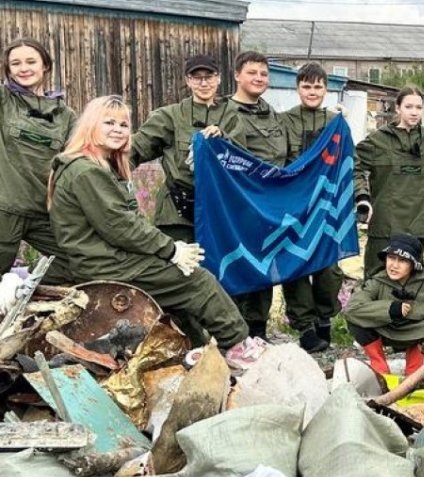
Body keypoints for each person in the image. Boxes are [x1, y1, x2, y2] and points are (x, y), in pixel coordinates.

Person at [46, 95, 263, 369]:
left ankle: (197, 347)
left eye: (124, 125)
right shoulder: (86, 171)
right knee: (197, 281)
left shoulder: (96, 166)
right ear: (91, 125)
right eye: (108, 123)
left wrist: (165, 250)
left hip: (106, 256)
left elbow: (123, 222)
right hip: (106, 263)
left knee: (180, 289)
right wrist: (171, 250)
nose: (118, 129)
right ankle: (237, 345)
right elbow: (120, 226)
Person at [131, 54, 244, 244]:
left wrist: (222, 139)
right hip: (176, 214)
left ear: (218, 79)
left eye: (209, 77)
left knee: (214, 271)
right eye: (196, 78)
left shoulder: (232, 117)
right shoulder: (170, 116)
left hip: (219, 212)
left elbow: (243, 159)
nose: (203, 83)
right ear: (188, 81)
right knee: (178, 269)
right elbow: (134, 149)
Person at [279, 63, 344, 353]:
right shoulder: (284, 121)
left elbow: (346, 163)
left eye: (318, 86)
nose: (312, 91)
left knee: (328, 268)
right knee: (295, 267)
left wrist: (360, 198)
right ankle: (304, 327)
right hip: (294, 207)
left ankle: (324, 319)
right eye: (306, 86)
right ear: (298, 89)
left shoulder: (336, 122)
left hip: (327, 207)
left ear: (326, 89)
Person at [0, 38, 76, 284]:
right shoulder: (5, 101)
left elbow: (76, 163)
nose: (24, 68)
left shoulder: (66, 115)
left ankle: (21, 293)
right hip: (4, 210)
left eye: (31, 61)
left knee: (77, 262)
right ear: (8, 70)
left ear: (45, 65)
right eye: (15, 63)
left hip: (44, 214)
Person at [227, 50, 288, 340]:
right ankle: (233, 331)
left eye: (264, 74)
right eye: (252, 72)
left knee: (266, 265)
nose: (259, 78)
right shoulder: (223, 113)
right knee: (239, 264)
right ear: (237, 75)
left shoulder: (273, 115)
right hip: (239, 205)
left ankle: (258, 330)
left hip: (269, 206)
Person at [354, 87, 424, 279]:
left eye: (419, 107)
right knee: (376, 280)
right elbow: (353, 163)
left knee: (411, 284)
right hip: (385, 227)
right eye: (408, 106)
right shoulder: (379, 140)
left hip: (415, 228)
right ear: (398, 108)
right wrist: (362, 196)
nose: (414, 112)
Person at [343, 233, 424, 379]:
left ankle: (414, 369)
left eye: (402, 261)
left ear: (413, 264)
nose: (394, 265)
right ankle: (379, 365)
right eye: (391, 258)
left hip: (413, 332)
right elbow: (352, 308)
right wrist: (390, 309)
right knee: (355, 320)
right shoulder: (378, 280)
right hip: (384, 330)